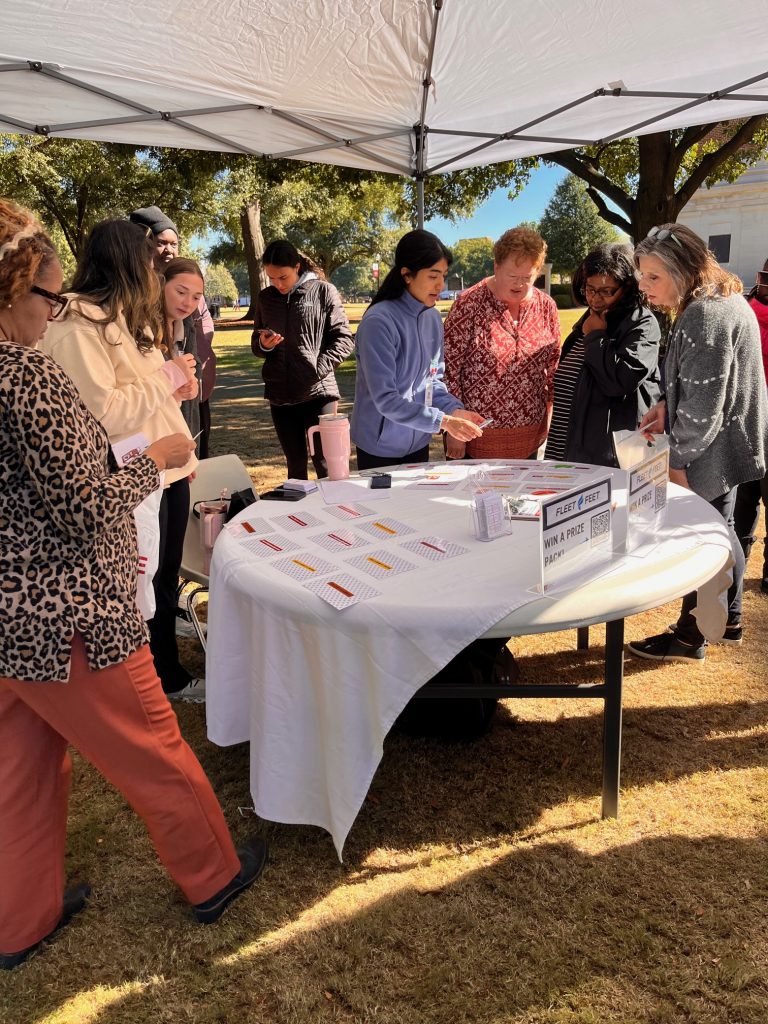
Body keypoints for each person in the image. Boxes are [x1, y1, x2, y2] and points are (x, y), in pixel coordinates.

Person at [0, 200, 267, 970]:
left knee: (18, 775)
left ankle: (19, 920)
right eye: (48, 297)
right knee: (153, 749)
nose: (53, 313)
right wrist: (156, 458)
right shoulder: (24, 376)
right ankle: (213, 876)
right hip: (73, 613)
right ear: (15, 288)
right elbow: (84, 506)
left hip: (13, 620)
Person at [39, 220, 204, 702]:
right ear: (130, 265)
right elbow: (103, 412)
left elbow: (146, 390)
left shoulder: (115, 317)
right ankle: (151, 678)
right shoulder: (77, 325)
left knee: (161, 574)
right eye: (151, 263)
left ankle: (162, 662)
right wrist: (166, 378)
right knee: (139, 582)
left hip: (159, 468)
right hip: (127, 479)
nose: (155, 272)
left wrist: (173, 388)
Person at [627, 223, 768, 662]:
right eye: (641, 278)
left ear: (683, 269)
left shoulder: (704, 313)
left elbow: (705, 408)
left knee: (712, 538)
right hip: (728, 442)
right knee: (721, 532)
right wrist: (668, 401)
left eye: (654, 277)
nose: (645, 288)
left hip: (713, 448)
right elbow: (705, 380)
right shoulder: (720, 298)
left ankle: (695, 637)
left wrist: (676, 459)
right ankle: (727, 622)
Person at [351, 229, 484, 469]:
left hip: (417, 442)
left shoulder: (432, 318)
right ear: (407, 275)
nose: (440, 284)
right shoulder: (378, 322)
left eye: (443, 275)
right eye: (433, 275)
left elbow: (432, 382)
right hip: (379, 447)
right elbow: (386, 399)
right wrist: (443, 422)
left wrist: (455, 411)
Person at [443, 226, 560, 460]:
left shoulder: (546, 306)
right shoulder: (469, 304)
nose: (519, 284)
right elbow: (449, 369)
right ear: (496, 268)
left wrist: (552, 413)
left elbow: (553, 364)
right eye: (512, 276)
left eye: (527, 277)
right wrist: (454, 426)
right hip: (475, 436)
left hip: (529, 434)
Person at [544, 243, 661, 465]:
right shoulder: (588, 322)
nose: (595, 299)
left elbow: (620, 381)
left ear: (627, 287)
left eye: (607, 291)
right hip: (566, 446)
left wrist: (597, 337)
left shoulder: (641, 324)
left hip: (607, 456)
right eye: (589, 289)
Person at [251, 239, 355, 479]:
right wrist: (263, 345)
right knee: (295, 465)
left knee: (326, 464)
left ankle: (335, 514)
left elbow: (344, 339)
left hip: (318, 392)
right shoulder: (266, 298)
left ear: (297, 267)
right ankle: (299, 517)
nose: (277, 284)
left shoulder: (323, 291)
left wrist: (317, 369)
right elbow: (256, 345)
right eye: (271, 278)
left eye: (283, 277)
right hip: (280, 394)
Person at [130, 206, 217, 459]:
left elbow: (202, 341)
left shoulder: (187, 314)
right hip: (152, 435)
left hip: (188, 411)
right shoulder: (138, 314)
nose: (168, 249)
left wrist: (196, 381)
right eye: (160, 243)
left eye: (174, 243)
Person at [733, 259, 768, 593]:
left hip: (754, 418)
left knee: (750, 500)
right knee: (745, 500)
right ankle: (737, 566)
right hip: (749, 420)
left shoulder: (743, 309)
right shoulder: (745, 311)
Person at [162, 257, 206, 441]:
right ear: (161, 284)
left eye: (196, 297)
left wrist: (193, 386)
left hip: (185, 428)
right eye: (181, 292)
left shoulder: (187, 324)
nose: (188, 303)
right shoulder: (141, 328)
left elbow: (193, 368)